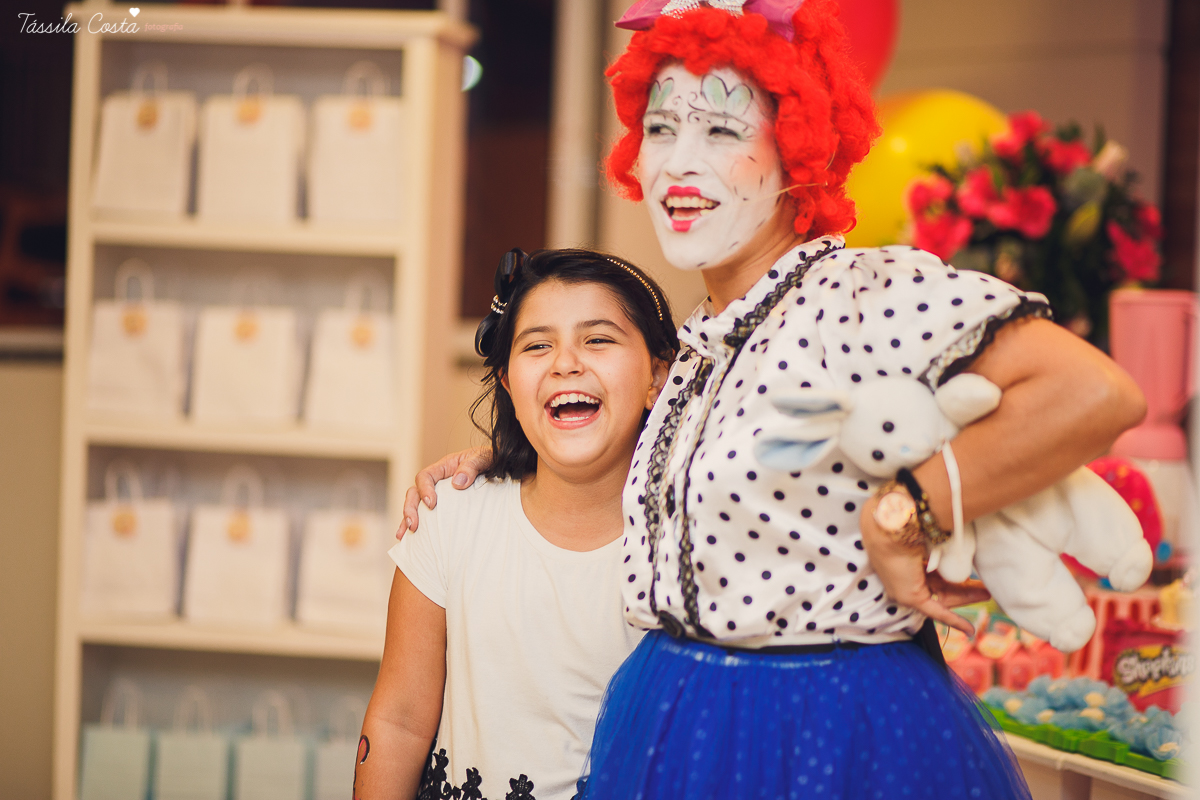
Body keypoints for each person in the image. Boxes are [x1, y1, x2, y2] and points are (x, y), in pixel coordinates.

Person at [402, 2, 1146, 797]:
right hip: (672, 721)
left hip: (819, 732)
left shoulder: (860, 293)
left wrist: (906, 512)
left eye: (721, 130)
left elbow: (1094, 393)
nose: (680, 162)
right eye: (660, 129)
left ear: (800, 149)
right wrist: (502, 457)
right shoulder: (701, 345)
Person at [355, 249, 678, 800]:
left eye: (598, 339)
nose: (566, 362)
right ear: (506, 381)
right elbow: (397, 723)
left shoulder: (689, 547)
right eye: (537, 345)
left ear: (658, 375)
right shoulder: (450, 518)